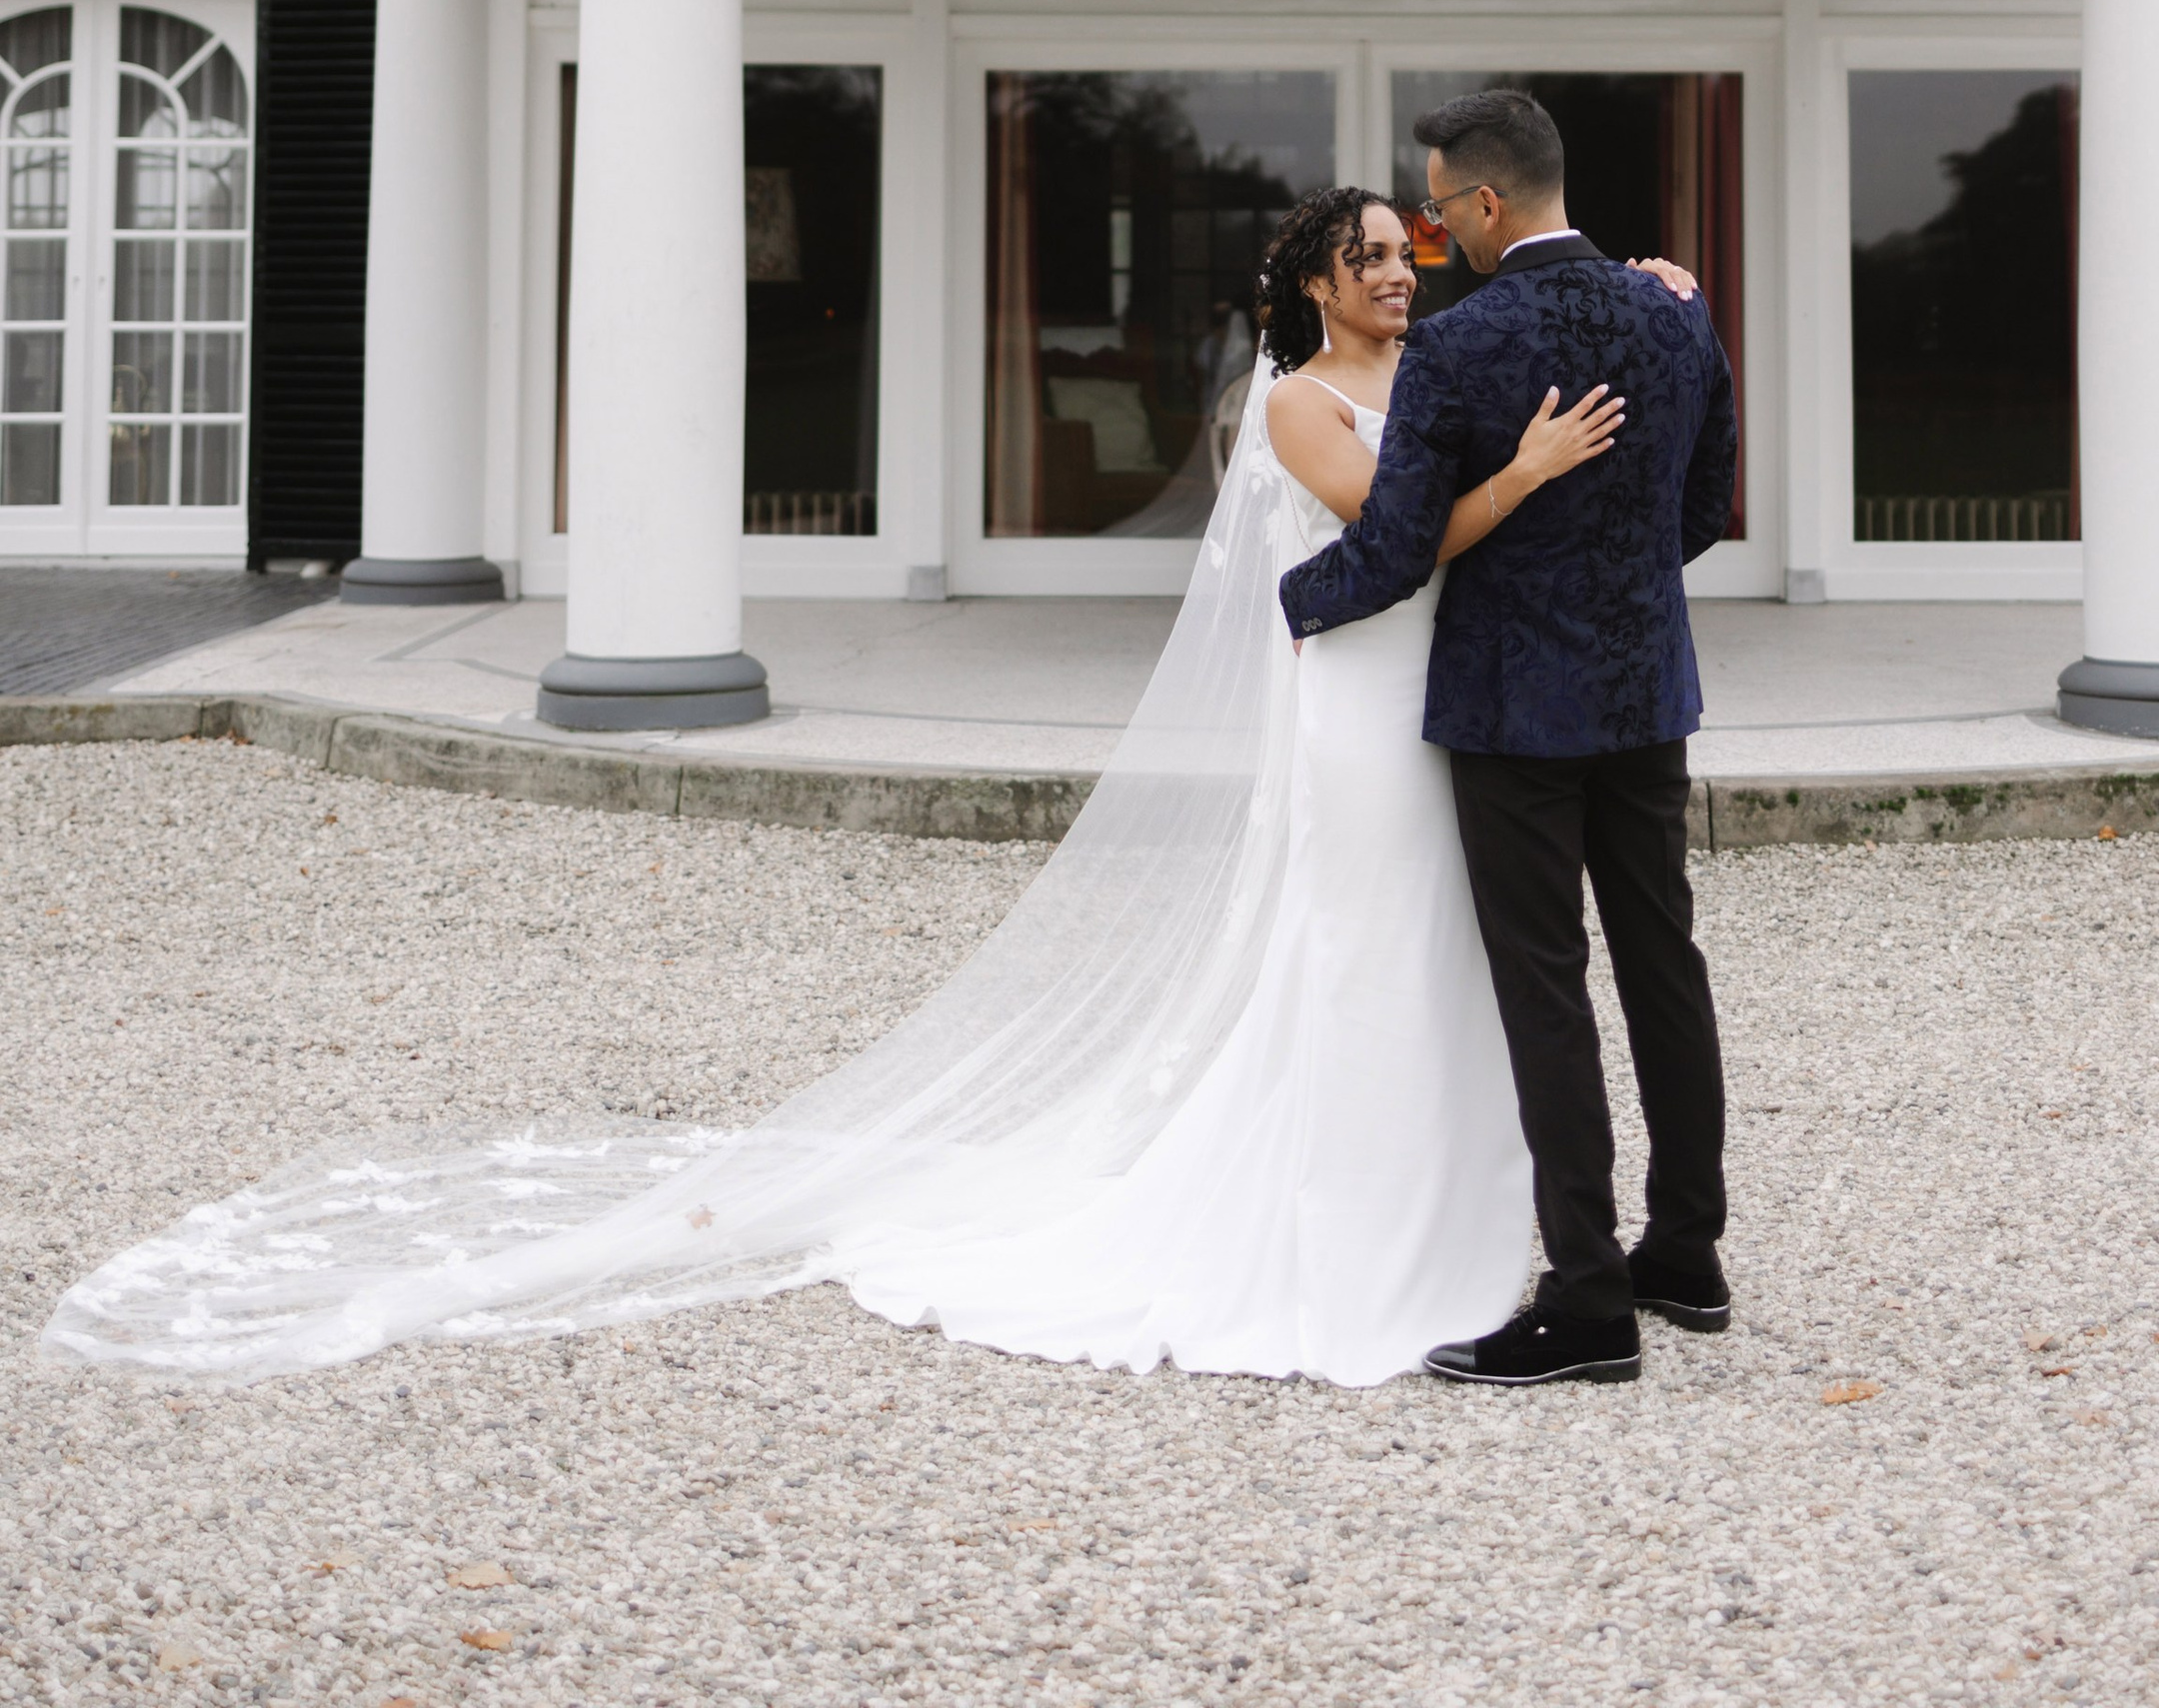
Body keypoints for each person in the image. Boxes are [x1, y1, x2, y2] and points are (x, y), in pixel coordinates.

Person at [44, 185, 1631, 1389]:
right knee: (1355, 952)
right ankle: (1346, 1229)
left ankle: (1476, 1223)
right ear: (1305, 281)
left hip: (1429, 701)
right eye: (1364, 255)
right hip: (1353, 712)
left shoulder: (1424, 378)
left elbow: (1510, 401)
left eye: (1403, 253)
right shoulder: (1293, 400)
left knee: (1446, 958)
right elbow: (1393, 541)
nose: (1393, 273)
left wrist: (1639, 295)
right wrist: (1528, 473)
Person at [1280, 87, 1739, 1387]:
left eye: (1436, 217)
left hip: (1512, 711)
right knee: (1662, 960)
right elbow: (1703, 505)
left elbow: (1399, 545)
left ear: (1486, 203)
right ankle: (1687, 1255)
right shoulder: (1675, 312)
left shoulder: (1468, 345)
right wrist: (1621, 590)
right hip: (1646, 693)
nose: (1432, 242)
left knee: (1545, 986)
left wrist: (1299, 601)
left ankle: (1587, 1299)